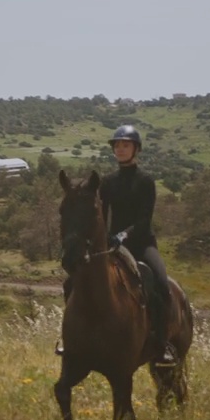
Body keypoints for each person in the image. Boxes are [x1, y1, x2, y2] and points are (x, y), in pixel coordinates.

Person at [58, 124, 177, 366]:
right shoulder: (108, 182)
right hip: (111, 246)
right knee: (72, 281)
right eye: (118, 145)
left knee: (162, 284)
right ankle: (71, 339)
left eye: (126, 145)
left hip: (142, 244)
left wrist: (123, 235)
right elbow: (101, 215)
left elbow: (144, 220)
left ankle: (162, 344)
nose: (121, 149)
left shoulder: (146, 181)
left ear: (136, 149)